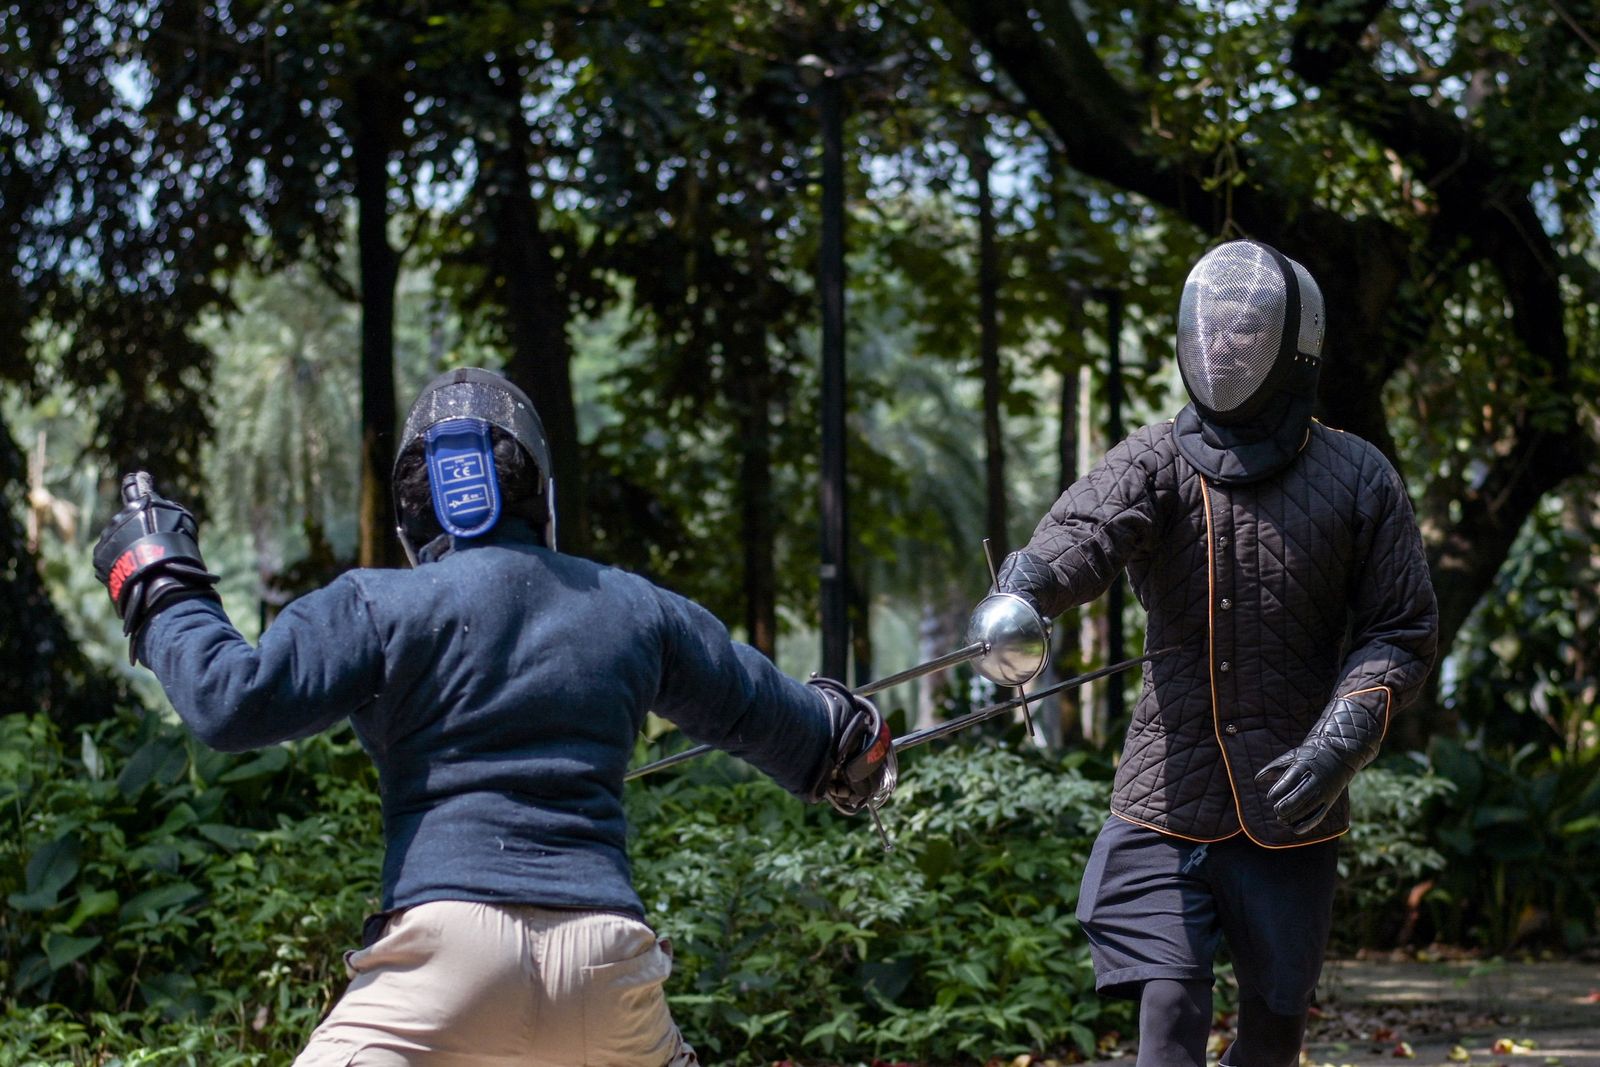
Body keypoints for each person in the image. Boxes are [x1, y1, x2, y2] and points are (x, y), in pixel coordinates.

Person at [92, 367, 896, 1067]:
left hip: (439, 966)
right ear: (539, 490)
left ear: (416, 506)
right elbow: (801, 734)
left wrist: (156, 575)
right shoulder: (635, 608)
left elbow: (227, 699)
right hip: (606, 964)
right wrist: (847, 739)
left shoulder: (378, 604)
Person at [981, 241, 1438, 1067]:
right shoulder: (1155, 458)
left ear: (1292, 344)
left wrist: (1345, 734)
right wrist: (1025, 591)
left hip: (1292, 797)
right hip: (1167, 793)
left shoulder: (1359, 475)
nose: (1223, 345)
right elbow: (1087, 530)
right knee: (1170, 1000)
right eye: (1211, 328)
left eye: (1244, 328)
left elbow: (1400, 629)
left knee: (1273, 1025)